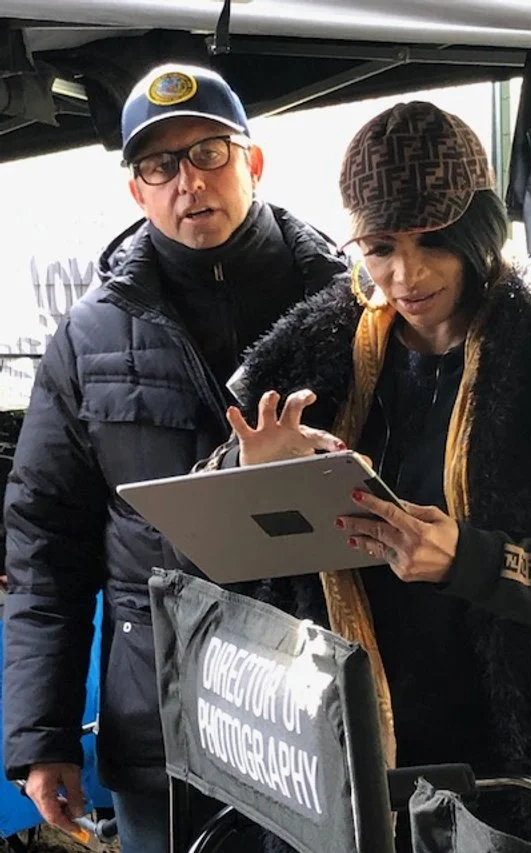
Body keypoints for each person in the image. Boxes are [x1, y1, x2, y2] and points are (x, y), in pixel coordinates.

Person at [203, 101, 531, 852]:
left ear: (479, 230)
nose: (404, 275)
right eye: (378, 247)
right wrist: (248, 471)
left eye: (431, 242)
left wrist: (474, 560)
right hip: (344, 768)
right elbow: (201, 532)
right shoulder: (313, 346)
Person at [1, 62, 350, 853]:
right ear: (137, 192)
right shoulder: (88, 336)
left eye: (207, 154)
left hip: (315, 693)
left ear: (252, 162)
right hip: (158, 705)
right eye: (159, 165)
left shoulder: (346, 302)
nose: (186, 182)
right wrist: (42, 734)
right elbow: (46, 542)